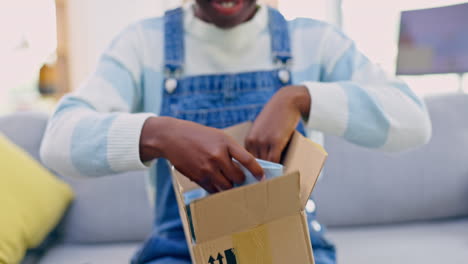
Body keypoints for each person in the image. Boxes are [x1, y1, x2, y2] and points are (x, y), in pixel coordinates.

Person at [40, 0, 432, 263]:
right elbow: (59, 138)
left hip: (290, 246)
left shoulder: (314, 42)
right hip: (181, 251)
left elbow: (414, 121)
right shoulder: (143, 44)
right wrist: (156, 133)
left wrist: (302, 97)